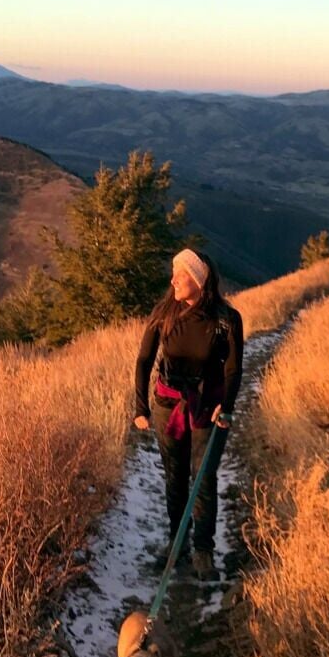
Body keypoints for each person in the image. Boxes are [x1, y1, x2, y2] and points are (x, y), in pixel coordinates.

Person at [133, 248, 244, 582]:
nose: (173, 280)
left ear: (198, 280)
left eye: (179, 274)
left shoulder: (226, 319)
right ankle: (177, 542)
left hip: (208, 410)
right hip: (167, 407)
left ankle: (203, 550)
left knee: (204, 479)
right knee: (175, 478)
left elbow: (233, 369)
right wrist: (140, 408)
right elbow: (143, 360)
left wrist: (227, 406)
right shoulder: (163, 313)